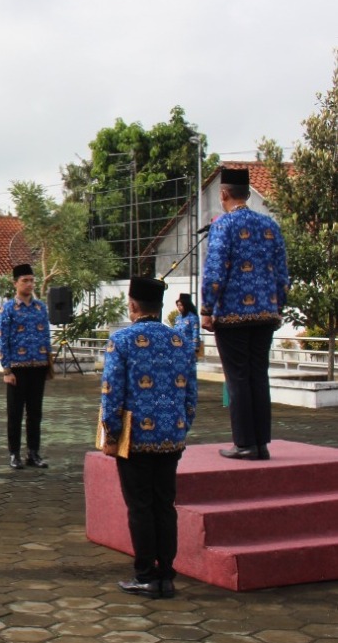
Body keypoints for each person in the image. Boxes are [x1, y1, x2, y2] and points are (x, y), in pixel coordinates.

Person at [100, 276, 197, 599]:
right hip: (171, 437)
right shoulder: (180, 341)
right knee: (165, 506)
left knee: (140, 507)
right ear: (161, 306)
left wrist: (110, 433)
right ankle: (166, 576)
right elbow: (191, 395)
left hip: (136, 438)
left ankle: (145, 575)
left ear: (132, 305)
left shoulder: (122, 340)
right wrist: (181, 427)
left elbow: (111, 393)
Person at [201, 168, 289, 461]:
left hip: (233, 317)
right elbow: (282, 274)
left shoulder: (222, 226)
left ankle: (244, 444)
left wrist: (207, 308)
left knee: (237, 379)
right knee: (257, 376)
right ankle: (261, 443)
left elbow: (215, 271)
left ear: (223, 194)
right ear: (248, 194)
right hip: (265, 314)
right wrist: (278, 307)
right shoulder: (270, 226)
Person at [0, 264, 52, 470]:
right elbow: (4, 340)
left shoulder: (41, 308)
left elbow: (46, 337)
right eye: (25, 281)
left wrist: (48, 365)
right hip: (17, 369)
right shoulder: (9, 308)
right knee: (15, 413)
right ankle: (14, 454)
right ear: (15, 283)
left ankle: (33, 453)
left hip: (38, 366)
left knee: (35, 413)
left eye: (32, 280)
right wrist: (7, 369)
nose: (29, 284)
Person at [174, 294, 201, 359]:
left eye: (181, 305)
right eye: (178, 305)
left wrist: (195, 348)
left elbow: (195, 333)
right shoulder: (178, 318)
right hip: (177, 347)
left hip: (188, 348)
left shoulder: (192, 318)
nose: (179, 307)